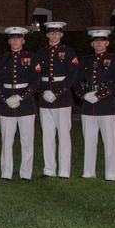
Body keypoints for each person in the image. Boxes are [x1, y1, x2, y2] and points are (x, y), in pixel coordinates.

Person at [74, 29, 115, 181]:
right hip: (88, 106)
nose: (98, 44)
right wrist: (84, 95)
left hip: (107, 106)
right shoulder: (85, 61)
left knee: (109, 142)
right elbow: (76, 83)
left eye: (101, 41)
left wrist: (100, 95)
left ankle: (111, 174)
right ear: (91, 44)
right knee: (89, 141)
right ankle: (89, 171)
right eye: (95, 41)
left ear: (107, 43)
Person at [0, 26, 40, 181]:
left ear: (23, 40)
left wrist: (20, 97)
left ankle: (26, 173)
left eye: (18, 38)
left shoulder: (32, 58)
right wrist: (6, 98)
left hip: (25, 104)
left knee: (27, 141)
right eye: (12, 39)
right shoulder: (1, 59)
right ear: (8, 41)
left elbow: (35, 82)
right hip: (6, 105)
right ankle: (6, 172)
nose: (15, 41)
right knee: (7, 141)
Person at [36, 21, 79, 179]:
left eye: (57, 33)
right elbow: (36, 76)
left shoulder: (69, 52)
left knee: (64, 135)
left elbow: (72, 75)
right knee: (47, 135)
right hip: (45, 99)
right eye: (51, 33)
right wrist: (42, 92)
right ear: (47, 34)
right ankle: (49, 169)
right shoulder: (41, 53)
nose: (54, 35)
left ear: (61, 34)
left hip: (62, 99)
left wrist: (57, 92)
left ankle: (64, 171)